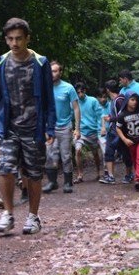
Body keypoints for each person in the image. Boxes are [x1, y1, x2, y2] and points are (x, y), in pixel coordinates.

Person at [0, 17, 55, 236]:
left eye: (19, 39)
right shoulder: (0, 63)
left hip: (34, 126)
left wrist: (49, 127)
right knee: (5, 168)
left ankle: (33, 217)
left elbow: (48, 97)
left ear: (27, 38)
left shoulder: (40, 63)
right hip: (9, 126)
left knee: (34, 173)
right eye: (10, 39)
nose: (14, 43)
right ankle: (8, 213)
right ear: (6, 40)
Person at [45, 61, 80, 194]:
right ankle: (52, 182)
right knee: (49, 155)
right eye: (50, 71)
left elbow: (76, 108)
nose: (52, 74)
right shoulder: (45, 88)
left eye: (55, 71)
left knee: (66, 156)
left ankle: (67, 182)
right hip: (50, 128)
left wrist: (77, 128)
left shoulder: (68, 88)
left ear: (60, 72)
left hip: (65, 126)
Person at [99, 80, 128, 185]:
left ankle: (125, 175)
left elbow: (123, 115)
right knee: (110, 152)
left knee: (123, 153)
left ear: (107, 90)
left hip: (118, 131)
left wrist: (111, 119)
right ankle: (112, 176)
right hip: (116, 130)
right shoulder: (117, 99)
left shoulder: (117, 100)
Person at [74, 82, 104, 182]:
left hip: (93, 131)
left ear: (85, 91)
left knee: (95, 153)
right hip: (81, 131)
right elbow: (71, 115)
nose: (80, 94)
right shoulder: (74, 102)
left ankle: (99, 171)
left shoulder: (93, 101)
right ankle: (80, 175)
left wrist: (101, 128)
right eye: (78, 92)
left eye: (81, 92)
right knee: (78, 150)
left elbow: (100, 115)